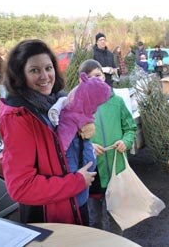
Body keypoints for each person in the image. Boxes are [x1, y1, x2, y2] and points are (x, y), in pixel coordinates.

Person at [0, 39, 97, 225]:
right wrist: (76, 182)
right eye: (34, 70)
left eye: (48, 68)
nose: (45, 76)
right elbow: (20, 188)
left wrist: (84, 141)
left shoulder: (56, 102)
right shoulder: (20, 117)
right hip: (50, 217)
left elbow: (57, 151)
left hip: (75, 205)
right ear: (20, 75)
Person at [79, 60, 137, 235]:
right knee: (94, 219)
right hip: (92, 174)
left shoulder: (117, 102)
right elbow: (74, 138)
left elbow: (130, 128)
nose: (95, 80)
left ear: (104, 77)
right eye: (89, 78)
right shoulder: (79, 107)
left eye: (98, 75)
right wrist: (89, 146)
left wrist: (125, 142)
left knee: (116, 218)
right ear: (83, 82)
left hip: (115, 170)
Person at [48, 69, 111, 225]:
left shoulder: (83, 109)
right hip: (75, 169)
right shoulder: (71, 115)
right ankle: (79, 204)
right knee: (82, 202)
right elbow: (62, 144)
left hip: (85, 163)